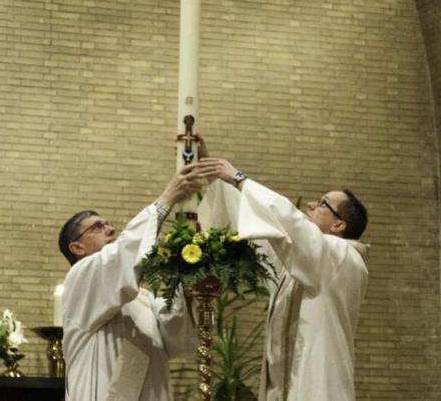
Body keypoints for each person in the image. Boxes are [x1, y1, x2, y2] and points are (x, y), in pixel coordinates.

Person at [194, 154, 370, 401]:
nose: (309, 204)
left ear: (339, 225)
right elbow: (264, 236)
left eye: (322, 203)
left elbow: (292, 223)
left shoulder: (342, 258)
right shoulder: (302, 265)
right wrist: (212, 170)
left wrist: (239, 179)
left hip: (318, 388)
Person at [58, 164, 208, 401]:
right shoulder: (80, 278)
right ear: (77, 247)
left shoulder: (143, 298)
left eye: (108, 224)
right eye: (98, 226)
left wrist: (184, 269)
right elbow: (123, 252)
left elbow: (175, 339)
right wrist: (166, 199)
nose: (111, 229)